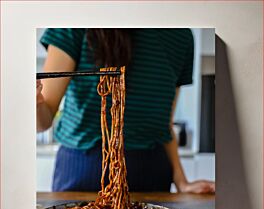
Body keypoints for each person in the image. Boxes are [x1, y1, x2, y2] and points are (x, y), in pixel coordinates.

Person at [37, 28, 215, 193]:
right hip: (82, 166)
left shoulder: (180, 35)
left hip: (152, 169)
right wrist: (35, 102)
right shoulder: (74, 25)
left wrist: (181, 182)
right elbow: (42, 122)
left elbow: (164, 125)